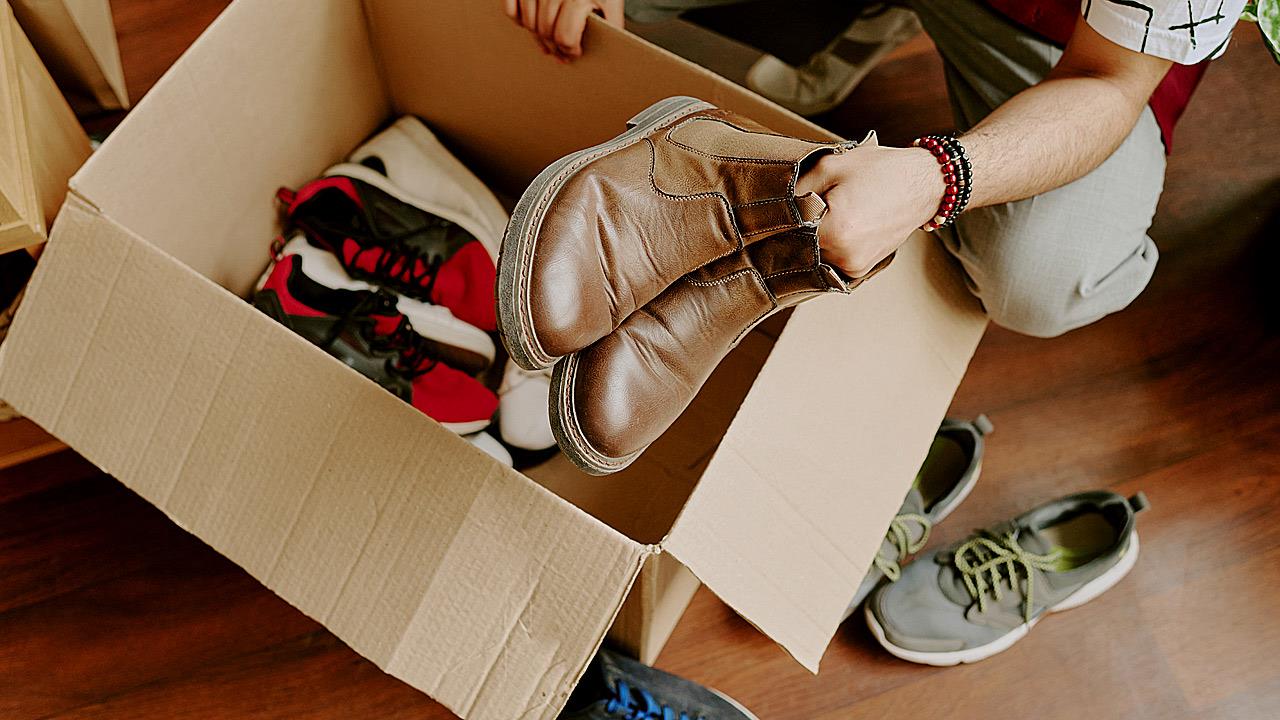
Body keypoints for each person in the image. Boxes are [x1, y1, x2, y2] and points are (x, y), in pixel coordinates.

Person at [503, 0, 1247, 338]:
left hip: (1077, 37)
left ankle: (725, 233)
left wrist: (939, 176)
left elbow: (1109, 79)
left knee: (1040, 278)